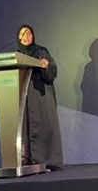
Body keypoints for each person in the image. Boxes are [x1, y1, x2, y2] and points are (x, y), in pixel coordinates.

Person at [16, 24, 63, 169]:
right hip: (23, 95)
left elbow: (52, 69)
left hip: (39, 95)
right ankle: (27, 161)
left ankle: (47, 161)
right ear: (18, 37)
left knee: (43, 125)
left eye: (29, 33)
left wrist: (46, 65)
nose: (26, 37)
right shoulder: (16, 55)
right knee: (24, 128)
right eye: (23, 34)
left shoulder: (40, 51)